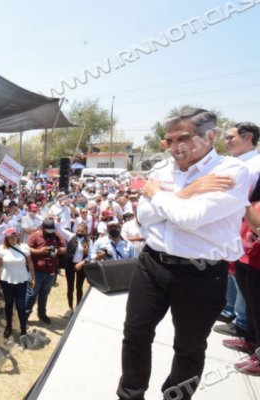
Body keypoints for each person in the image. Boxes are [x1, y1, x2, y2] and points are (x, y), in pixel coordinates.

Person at [117, 108, 250, 400]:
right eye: (169, 140)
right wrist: (185, 193)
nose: (176, 147)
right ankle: (130, 394)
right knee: (135, 335)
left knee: (189, 347)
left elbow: (191, 218)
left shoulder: (230, 171)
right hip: (151, 264)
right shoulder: (162, 169)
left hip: (200, 274)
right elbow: (143, 216)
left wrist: (162, 197)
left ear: (209, 136)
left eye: (184, 138)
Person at [214, 122, 260, 337]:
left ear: (248, 137)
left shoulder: (256, 164)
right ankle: (231, 311)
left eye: (231, 137)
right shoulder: (231, 162)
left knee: (244, 272)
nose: (227, 142)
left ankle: (242, 322)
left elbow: (247, 199)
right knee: (231, 270)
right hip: (229, 225)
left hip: (246, 226)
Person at [0, 227, 35, 339]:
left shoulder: (24, 247)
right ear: (6, 238)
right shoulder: (1, 249)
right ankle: (9, 326)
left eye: (14, 235)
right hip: (7, 281)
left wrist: (33, 278)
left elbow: (30, 263)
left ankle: (23, 330)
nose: (13, 238)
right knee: (8, 304)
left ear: (18, 236)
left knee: (21, 306)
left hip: (21, 280)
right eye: (10, 236)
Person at [25, 219, 66, 324]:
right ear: (42, 228)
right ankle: (24, 316)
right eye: (48, 231)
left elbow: (64, 249)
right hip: (36, 272)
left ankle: (41, 313)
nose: (50, 233)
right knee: (31, 294)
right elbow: (26, 249)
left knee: (44, 294)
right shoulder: (34, 236)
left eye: (52, 230)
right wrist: (40, 251)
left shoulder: (57, 235)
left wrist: (57, 251)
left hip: (51, 272)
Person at [59, 222, 93, 316]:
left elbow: (91, 255)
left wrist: (81, 263)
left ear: (86, 231)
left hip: (81, 266)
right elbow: (59, 229)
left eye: (82, 231)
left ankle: (78, 307)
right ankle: (70, 308)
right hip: (70, 265)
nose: (79, 232)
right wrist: (57, 220)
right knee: (70, 287)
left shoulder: (89, 241)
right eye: (78, 230)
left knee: (79, 287)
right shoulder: (71, 237)